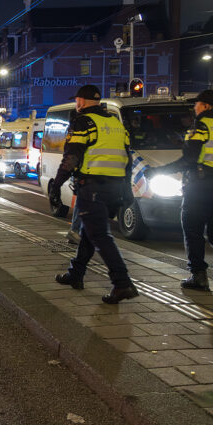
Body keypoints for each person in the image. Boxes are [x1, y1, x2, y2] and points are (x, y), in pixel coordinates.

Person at [146, 89, 213, 291]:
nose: (194, 108)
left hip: (202, 186)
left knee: (192, 229)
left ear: (205, 106)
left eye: (197, 104)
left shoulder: (201, 126)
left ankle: (199, 276)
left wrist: (159, 171)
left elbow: (189, 160)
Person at [50, 85, 139, 304]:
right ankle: (76, 274)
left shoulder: (83, 122)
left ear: (82, 101)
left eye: (78, 100)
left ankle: (122, 283)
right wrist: (126, 188)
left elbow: (72, 157)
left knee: (100, 235)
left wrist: (57, 184)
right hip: (115, 186)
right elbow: (128, 158)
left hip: (93, 186)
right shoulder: (115, 123)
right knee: (89, 231)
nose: (77, 104)